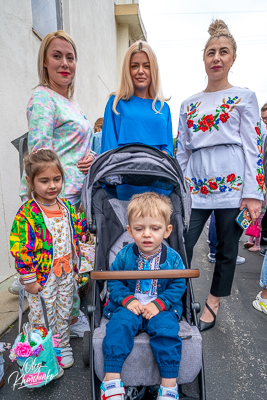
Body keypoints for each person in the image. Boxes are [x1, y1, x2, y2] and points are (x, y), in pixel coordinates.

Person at [176, 20, 263, 332]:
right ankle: (175, 299)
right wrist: (178, 188)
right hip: (195, 187)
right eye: (211, 52)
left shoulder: (245, 96)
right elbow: (182, 151)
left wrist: (253, 193)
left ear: (232, 58)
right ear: (203, 58)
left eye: (223, 52)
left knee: (227, 248)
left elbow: (254, 146)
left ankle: (213, 301)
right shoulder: (189, 104)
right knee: (179, 244)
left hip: (233, 187)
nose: (216, 57)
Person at [101, 192, 186, 400]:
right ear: (130, 231)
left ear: (167, 231)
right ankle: (111, 379)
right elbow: (114, 280)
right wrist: (127, 300)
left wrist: (160, 303)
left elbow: (178, 284)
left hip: (161, 307)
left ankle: (168, 386)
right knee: (119, 325)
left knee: (167, 330)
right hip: (130, 305)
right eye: (139, 229)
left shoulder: (173, 259)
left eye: (155, 229)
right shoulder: (124, 255)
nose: (147, 234)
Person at [10, 149, 87, 377]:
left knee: (64, 311)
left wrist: (87, 228)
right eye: (44, 181)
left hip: (65, 274)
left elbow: (78, 228)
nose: (52, 185)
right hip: (42, 278)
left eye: (57, 179)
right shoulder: (27, 214)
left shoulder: (65, 207)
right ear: (30, 182)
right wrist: (29, 279)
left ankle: (61, 344)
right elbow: (20, 248)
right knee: (42, 315)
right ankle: (43, 351)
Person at [19, 30, 95, 207]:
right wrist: (50, 206)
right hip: (56, 201)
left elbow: (78, 146)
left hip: (78, 199)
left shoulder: (72, 104)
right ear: (44, 62)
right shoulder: (43, 98)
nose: (65, 63)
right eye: (56, 56)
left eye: (70, 58)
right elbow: (41, 157)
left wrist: (91, 157)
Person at [100, 40, 173, 156]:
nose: (140, 71)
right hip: (123, 171)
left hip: (157, 172)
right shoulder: (115, 103)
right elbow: (108, 150)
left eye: (146, 66)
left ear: (153, 70)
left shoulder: (163, 108)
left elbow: (168, 150)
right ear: (127, 70)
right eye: (134, 66)